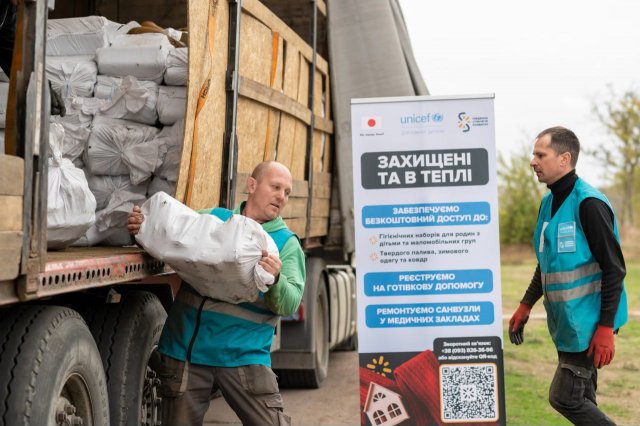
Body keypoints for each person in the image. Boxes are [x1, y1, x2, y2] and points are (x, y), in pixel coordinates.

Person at [128, 161, 305, 426]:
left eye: (287, 192)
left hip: (243, 357)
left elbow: (289, 303)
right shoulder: (214, 219)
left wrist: (277, 279)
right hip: (187, 353)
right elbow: (171, 237)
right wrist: (140, 227)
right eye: (276, 187)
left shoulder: (286, 244)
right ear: (252, 185)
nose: (282, 196)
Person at [508, 126, 628, 425]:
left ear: (564, 159)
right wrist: (526, 304)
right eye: (533, 154)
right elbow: (547, 262)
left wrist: (605, 327)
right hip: (568, 323)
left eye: (540, 155)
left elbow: (615, 269)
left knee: (565, 398)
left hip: (590, 324)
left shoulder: (589, 203)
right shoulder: (549, 203)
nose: (533, 162)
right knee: (584, 399)